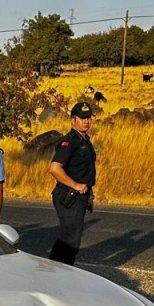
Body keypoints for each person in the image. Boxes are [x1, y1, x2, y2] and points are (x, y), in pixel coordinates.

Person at [48, 101, 97, 265]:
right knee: (70, 238)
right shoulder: (69, 142)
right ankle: (60, 271)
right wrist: (75, 185)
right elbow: (55, 168)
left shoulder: (84, 140)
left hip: (80, 196)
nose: (86, 121)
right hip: (69, 196)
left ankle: (57, 269)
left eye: (88, 118)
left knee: (70, 236)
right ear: (73, 120)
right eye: (82, 118)